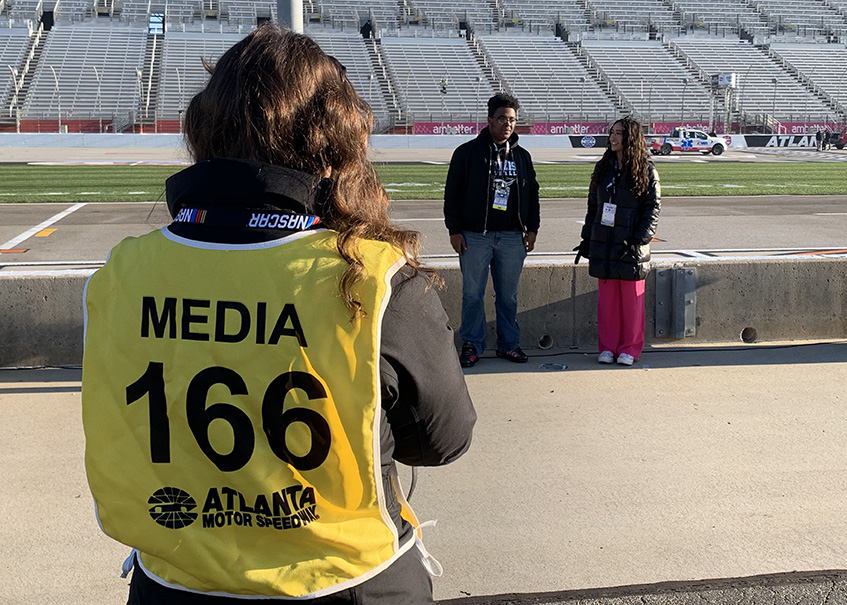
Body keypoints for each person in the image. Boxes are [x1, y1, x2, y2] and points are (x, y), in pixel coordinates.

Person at [81, 24, 476, 604]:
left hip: (175, 582)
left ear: (205, 128)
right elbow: (444, 440)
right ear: (338, 137)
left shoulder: (122, 272)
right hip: (347, 581)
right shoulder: (373, 277)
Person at [443, 93, 540, 367]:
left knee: (508, 296)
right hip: (475, 236)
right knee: (472, 294)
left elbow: (532, 194)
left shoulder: (522, 156)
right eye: (502, 119)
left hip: (511, 237)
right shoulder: (467, 153)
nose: (507, 125)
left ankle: (508, 344)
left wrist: (532, 229)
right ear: (489, 120)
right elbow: (452, 194)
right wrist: (455, 230)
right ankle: (472, 343)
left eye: (512, 120)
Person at [574, 117, 661, 366]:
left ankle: (630, 348)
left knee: (632, 301)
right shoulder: (603, 168)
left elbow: (652, 208)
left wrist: (639, 240)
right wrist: (588, 238)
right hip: (605, 242)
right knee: (608, 302)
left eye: (619, 133)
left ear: (630, 138)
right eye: (611, 132)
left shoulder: (646, 169)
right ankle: (607, 347)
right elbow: (593, 205)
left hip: (630, 245)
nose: (612, 137)